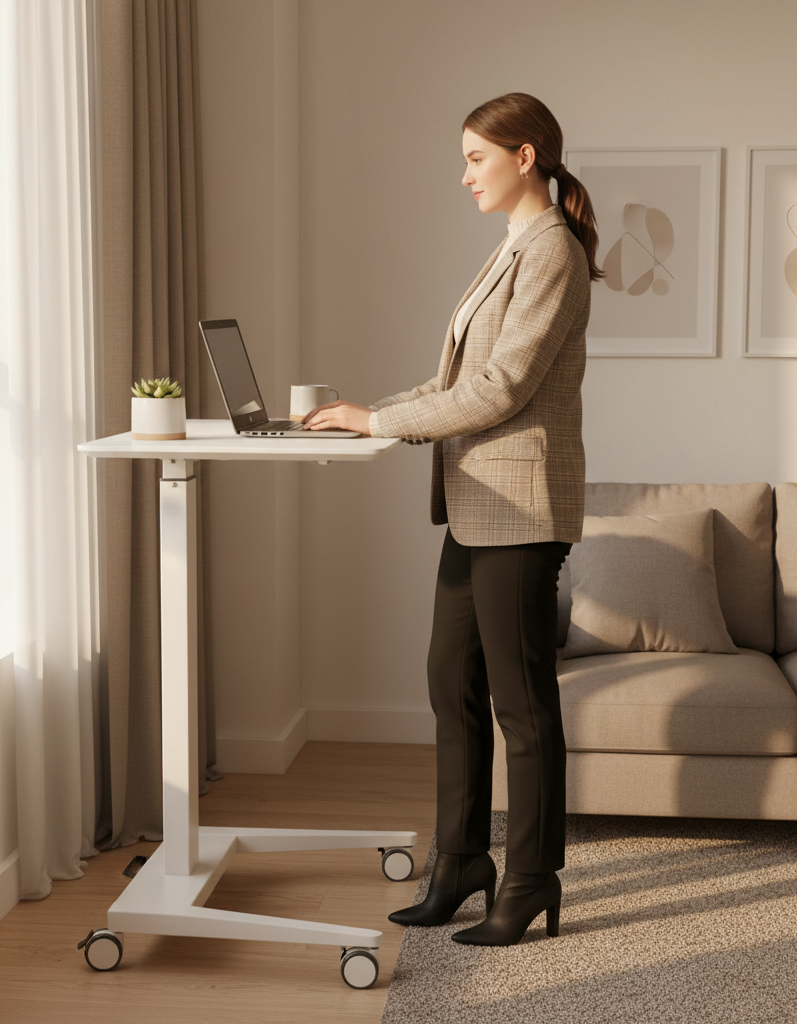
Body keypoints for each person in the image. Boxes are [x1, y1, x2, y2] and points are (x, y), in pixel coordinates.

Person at [303, 93, 601, 947]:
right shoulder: (511, 247)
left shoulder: (551, 251)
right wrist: (363, 415)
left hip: (521, 511)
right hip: (478, 508)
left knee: (522, 706)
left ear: (525, 156)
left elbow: (502, 390)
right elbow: (455, 384)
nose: (465, 174)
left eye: (476, 158)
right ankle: (461, 862)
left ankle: (532, 880)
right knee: (452, 684)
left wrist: (378, 422)